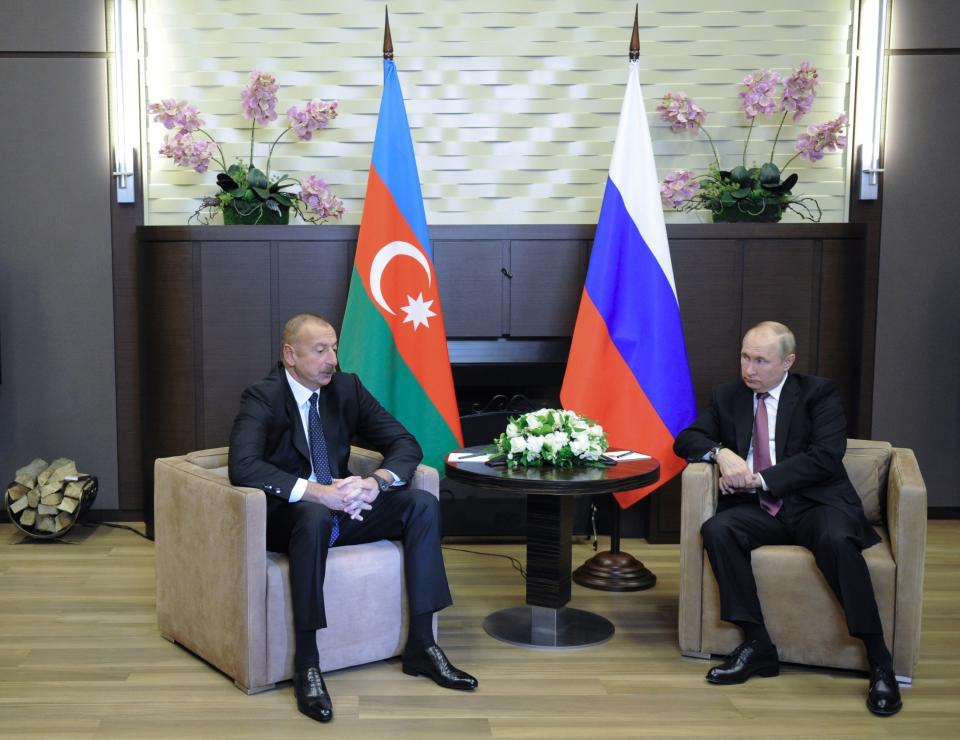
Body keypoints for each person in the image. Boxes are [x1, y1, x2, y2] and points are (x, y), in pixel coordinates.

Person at [228, 313, 477, 723]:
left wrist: (373, 484)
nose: (331, 360)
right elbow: (245, 467)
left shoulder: (347, 388)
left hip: (349, 506)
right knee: (313, 516)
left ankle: (422, 646)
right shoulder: (262, 396)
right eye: (320, 350)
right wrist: (319, 493)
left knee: (421, 505)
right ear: (290, 354)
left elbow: (404, 443)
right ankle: (307, 664)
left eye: (335, 349)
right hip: (291, 517)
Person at [673, 321, 901, 717]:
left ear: (787, 362)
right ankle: (758, 644)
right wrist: (720, 453)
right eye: (745, 357)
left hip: (815, 505)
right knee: (718, 529)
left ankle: (880, 660)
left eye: (761, 360)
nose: (750, 369)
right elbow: (686, 439)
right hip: (762, 512)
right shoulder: (728, 397)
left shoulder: (818, 394)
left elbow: (825, 456)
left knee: (835, 540)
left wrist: (759, 479)